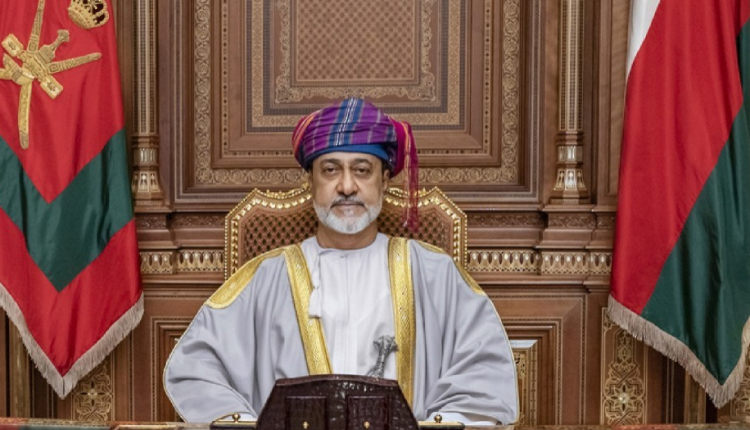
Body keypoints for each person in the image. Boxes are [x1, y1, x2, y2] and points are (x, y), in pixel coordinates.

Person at [164, 98, 519, 424]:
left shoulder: (434, 274)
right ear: (311, 182)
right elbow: (195, 368)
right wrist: (249, 425)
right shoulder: (266, 278)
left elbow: (483, 374)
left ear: (384, 181)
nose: (347, 186)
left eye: (362, 170)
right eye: (331, 170)